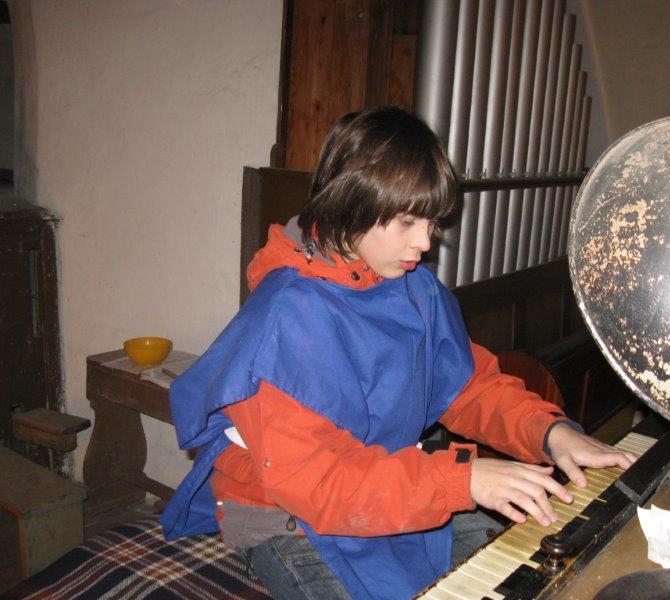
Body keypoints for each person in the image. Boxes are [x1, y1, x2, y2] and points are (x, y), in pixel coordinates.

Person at [161, 106, 636, 600]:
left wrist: (550, 432)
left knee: (532, 576)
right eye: (407, 221)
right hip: (288, 515)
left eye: (431, 222)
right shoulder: (284, 319)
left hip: (386, 485)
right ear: (350, 203)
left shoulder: (411, 286)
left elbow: (468, 387)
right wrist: (462, 481)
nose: (424, 243)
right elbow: (318, 485)